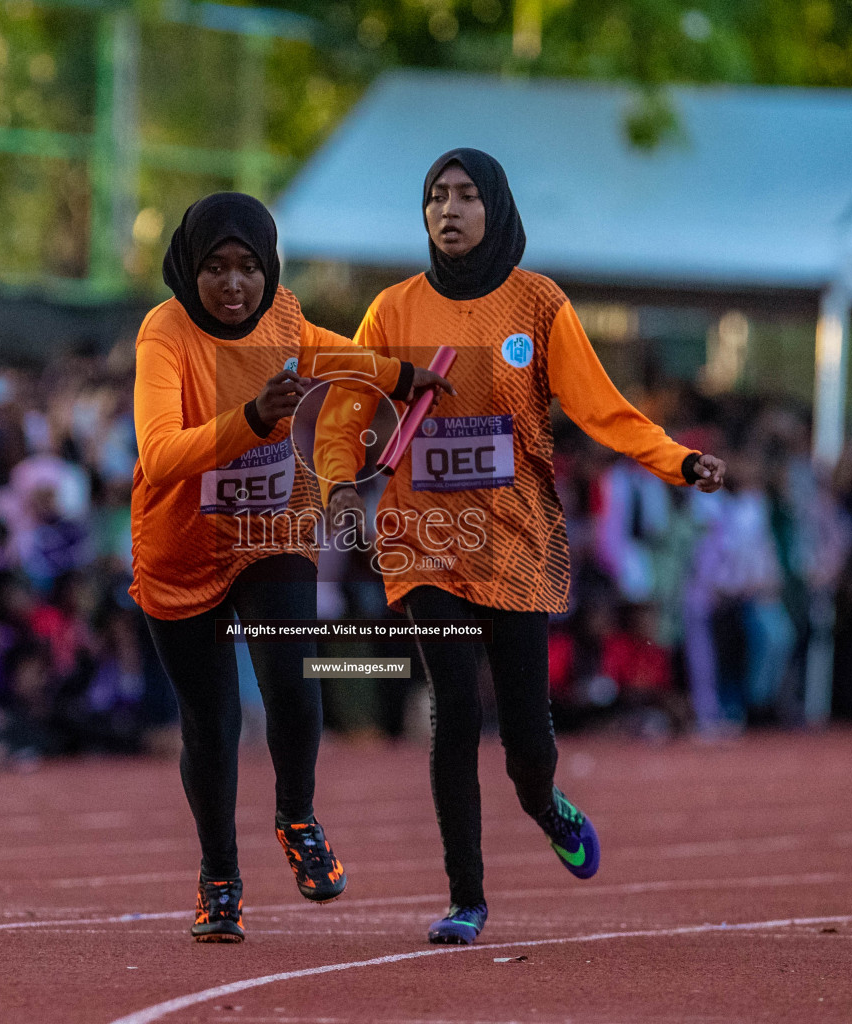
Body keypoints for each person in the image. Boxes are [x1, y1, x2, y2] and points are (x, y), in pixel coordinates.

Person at [315, 149, 725, 944]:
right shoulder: (392, 311)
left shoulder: (537, 306)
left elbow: (602, 407)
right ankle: (465, 898)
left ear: (495, 207)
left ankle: (545, 803)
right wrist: (336, 478)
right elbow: (345, 410)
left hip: (517, 542)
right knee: (455, 711)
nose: (449, 210)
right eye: (436, 196)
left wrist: (676, 459)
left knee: (527, 743)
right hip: (425, 538)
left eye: (467, 196)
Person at [131, 192, 452, 942]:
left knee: (292, 683)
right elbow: (159, 454)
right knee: (210, 726)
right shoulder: (164, 335)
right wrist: (252, 418)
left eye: (249, 267)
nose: (235, 285)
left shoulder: (282, 316)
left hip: (273, 532)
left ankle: (297, 818)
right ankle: (219, 880)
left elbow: (327, 350)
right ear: (190, 269)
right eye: (217, 269)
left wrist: (403, 379)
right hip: (181, 550)